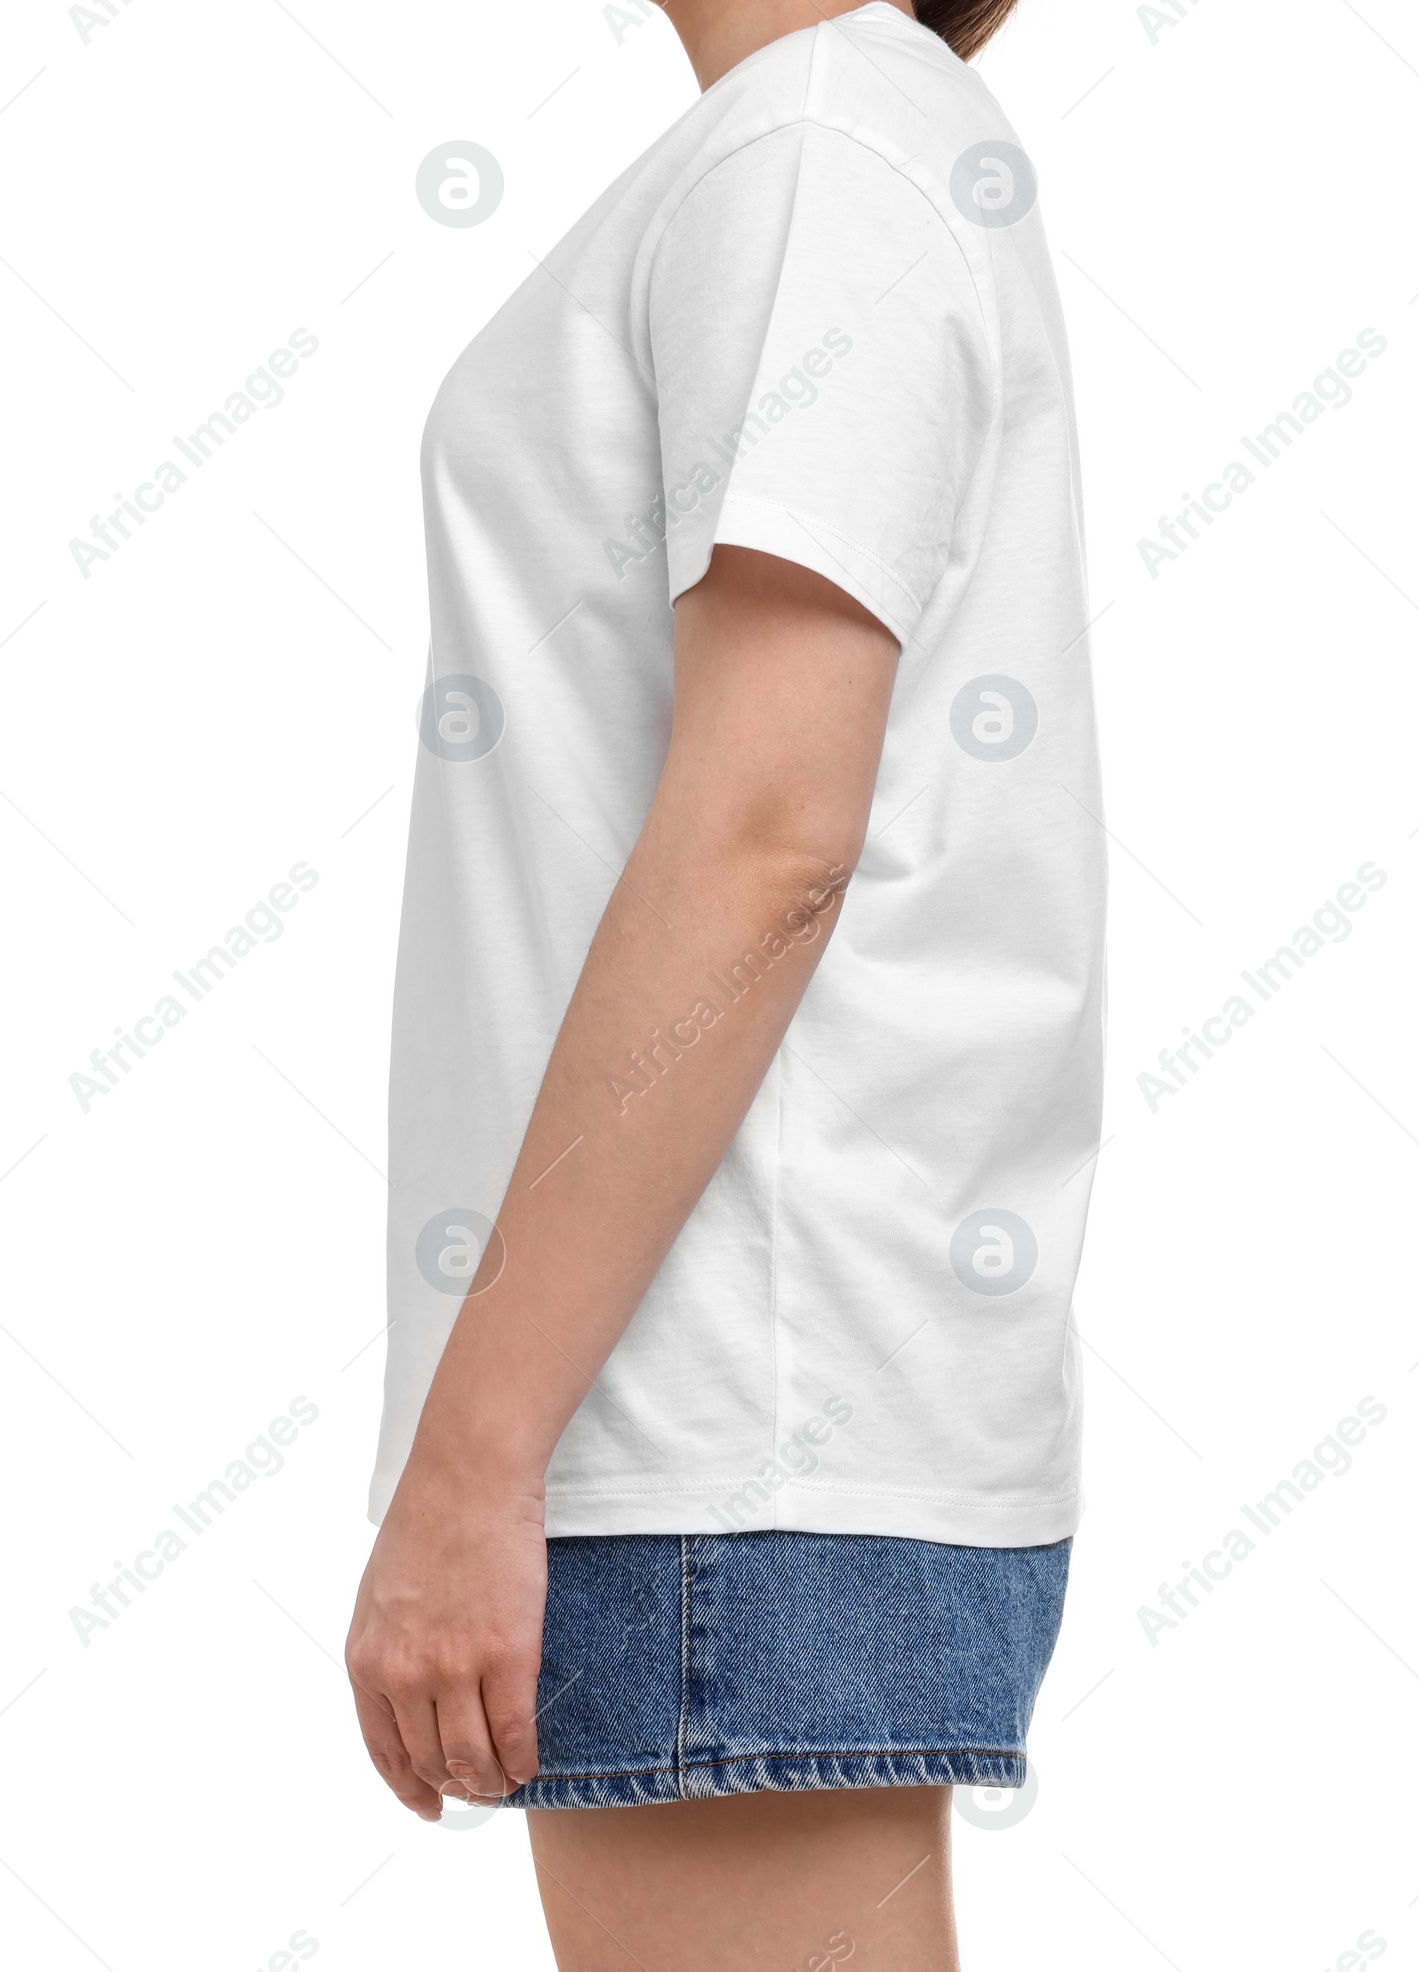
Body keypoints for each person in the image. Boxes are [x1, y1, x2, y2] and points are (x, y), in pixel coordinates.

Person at [346, 0, 1105, 1962]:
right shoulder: (822, 145)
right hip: (748, 1412)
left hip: (716, 1413)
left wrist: (473, 1445)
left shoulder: (818, 146)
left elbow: (768, 836)